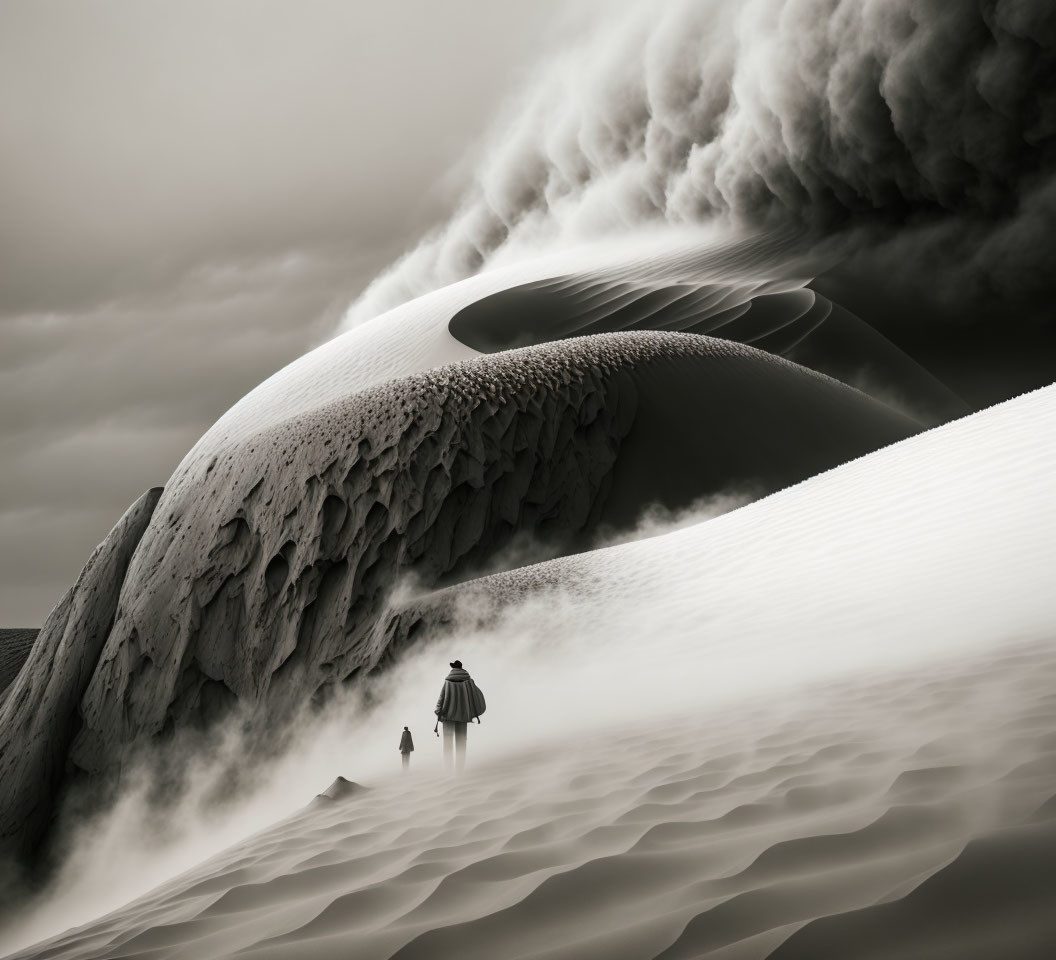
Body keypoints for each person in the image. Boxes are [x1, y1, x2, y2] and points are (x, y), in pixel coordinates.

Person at [434, 660, 486, 773]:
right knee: (461, 744)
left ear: (453, 668)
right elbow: (476, 696)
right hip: (463, 717)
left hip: (447, 717)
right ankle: (459, 771)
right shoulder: (468, 681)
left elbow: (441, 698)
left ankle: (447, 770)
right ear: (461, 667)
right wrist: (474, 712)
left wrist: (438, 712)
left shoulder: (447, 681)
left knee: (447, 745)